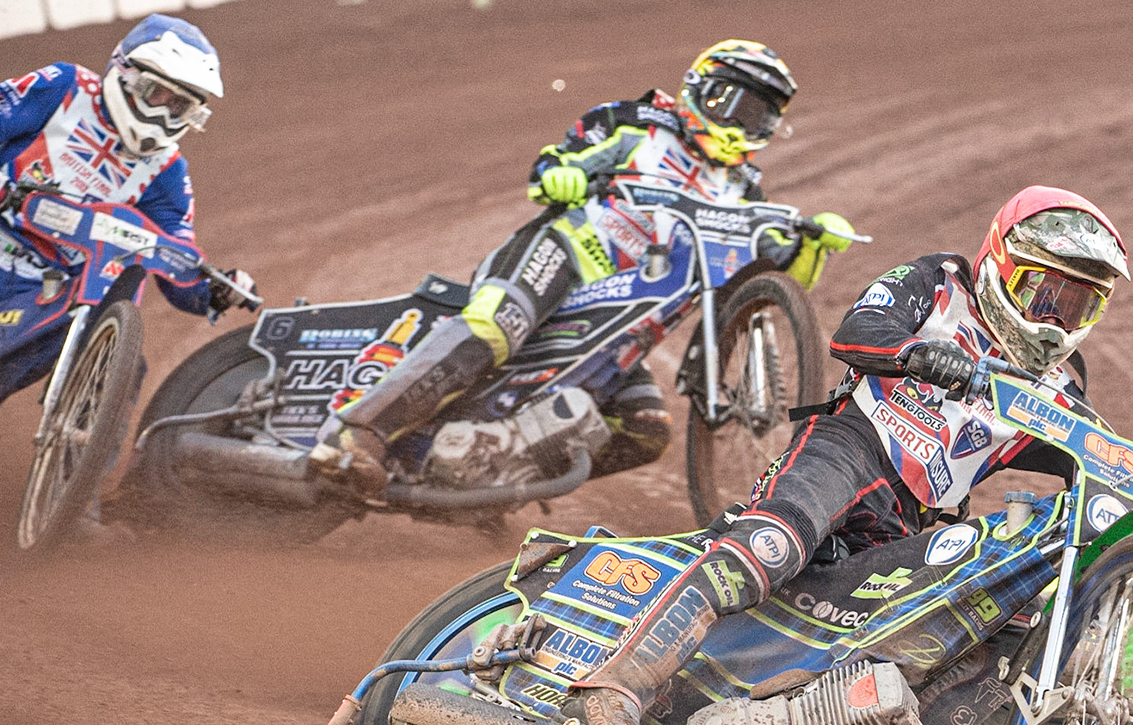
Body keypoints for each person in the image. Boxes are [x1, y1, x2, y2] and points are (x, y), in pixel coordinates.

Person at [561, 185, 1133, 725]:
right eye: (1041, 292)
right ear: (999, 262)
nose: (1052, 319)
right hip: (851, 447)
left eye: (1075, 306)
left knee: (993, 622)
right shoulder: (939, 283)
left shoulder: (1064, 382)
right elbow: (856, 329)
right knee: (773, 544)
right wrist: (915, 353)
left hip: (913, 518)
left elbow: (1100, 461)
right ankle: (613, 690)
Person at [309, 40, 853, 496]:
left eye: (759, 113)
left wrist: (815, 243)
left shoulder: (743, 191)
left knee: (645, 431)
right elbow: (553, 164)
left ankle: (487, 486)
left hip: (626, 319)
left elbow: (767, 285)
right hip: (564, 258)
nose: (742, 121)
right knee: (494, 328)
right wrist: (564, 175)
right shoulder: (637, 125)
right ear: (702, 90)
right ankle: (357, 434)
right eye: (734, 102)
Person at [0, 14, 254, 490]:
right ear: (126, 74)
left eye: (180, 106)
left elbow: (177, 257)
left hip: (48, 291)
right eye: (157, 94)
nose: (163, 115)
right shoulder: (65, 86)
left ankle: (73, 496)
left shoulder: (167, 173)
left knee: (116, 362)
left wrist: (217, 289)